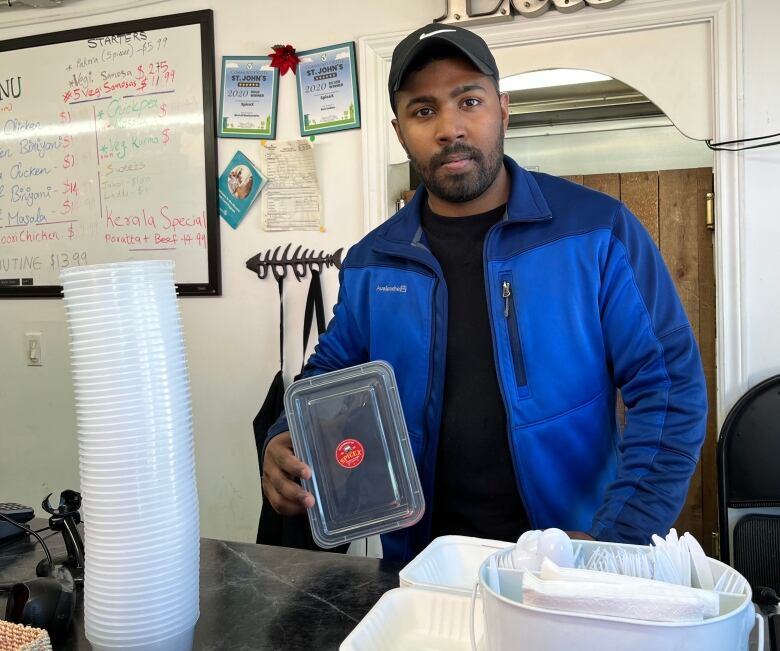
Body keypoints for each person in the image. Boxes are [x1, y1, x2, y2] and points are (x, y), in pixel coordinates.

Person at [261, 23, 707, 562]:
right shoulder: (373, 261)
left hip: (570, 558)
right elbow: (331, 374)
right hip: (427, 564)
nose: (450, 128)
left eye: (468, 100)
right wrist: (286, 434)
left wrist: (617, 538)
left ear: (503, 109)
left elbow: (669, 388)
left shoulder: (597, 231)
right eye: (423, 111)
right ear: (400, 132)